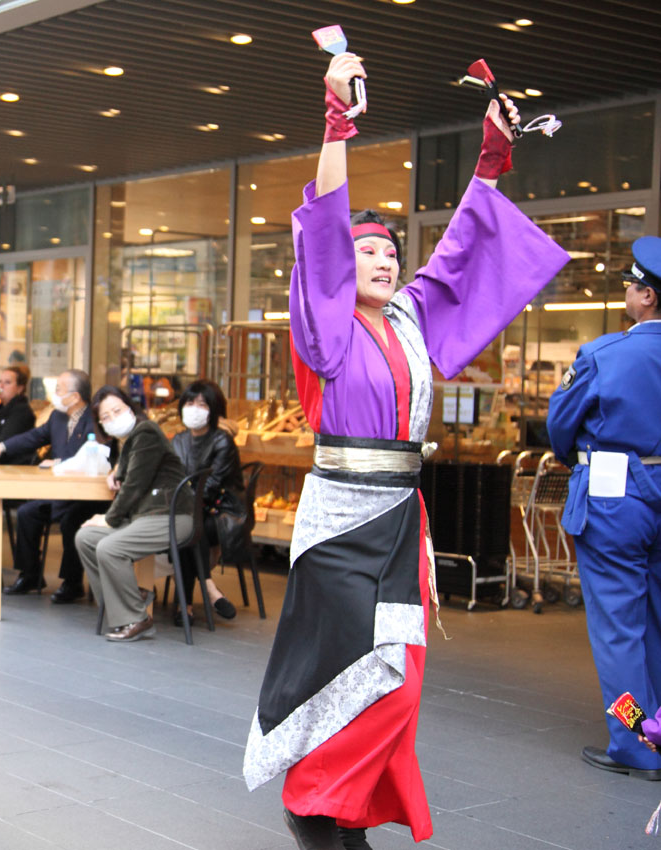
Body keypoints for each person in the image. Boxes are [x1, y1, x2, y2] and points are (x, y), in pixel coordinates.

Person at [242, 53, 568, 850]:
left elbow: (458, 253)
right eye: (367, 252)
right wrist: (336, 124)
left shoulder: (412, 321)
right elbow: (321, 235)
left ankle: (339, 804)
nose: (384, 259)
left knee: (400, 678)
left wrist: (490, 159)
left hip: (401, 521)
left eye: (391, 252)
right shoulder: (326, 327)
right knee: (355, 671)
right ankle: (315, 799)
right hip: (342, 525)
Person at [547, 236, 661, 782]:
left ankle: (636, 740)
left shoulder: (605, 354)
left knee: (619, 631)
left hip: (616, 499)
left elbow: (560, 428)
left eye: (631, 286)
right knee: (657, 623)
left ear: (647, 297)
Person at [74, 386, 193, 642]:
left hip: (169, 516)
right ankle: (129, 599)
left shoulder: (146, 432)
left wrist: (107, 519)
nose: (113, 418)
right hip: (148, 516)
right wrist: (116, 472)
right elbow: (129, 473)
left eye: (117, 410)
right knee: (85, 539)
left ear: (130, 407)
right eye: (105, 417)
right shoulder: (130, 439)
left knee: (108, 547)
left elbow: (134, 486)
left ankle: (136, 619)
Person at [0, 368, 104, 601]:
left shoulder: (95, 420)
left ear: (75, 396)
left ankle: (72, 583)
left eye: (59, 389)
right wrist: (3, 447)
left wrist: (61, 462)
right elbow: (33, 437)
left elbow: (94, 456)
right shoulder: (57, 418)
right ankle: (30, 575)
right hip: (58, 491)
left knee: (73, 520)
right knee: (27, 513)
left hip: (87, 496)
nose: (55, 393)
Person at [169, 379, 242, 624]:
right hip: (188, 510)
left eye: (202, 404)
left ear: (214, 409)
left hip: (221, 513)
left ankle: (184, 603)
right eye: (190, 402)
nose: (194, 408)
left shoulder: (222, 442)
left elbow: (210, 489)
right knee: (185, 526)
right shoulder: (177, 441)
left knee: (187, 530)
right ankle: (209, 587)